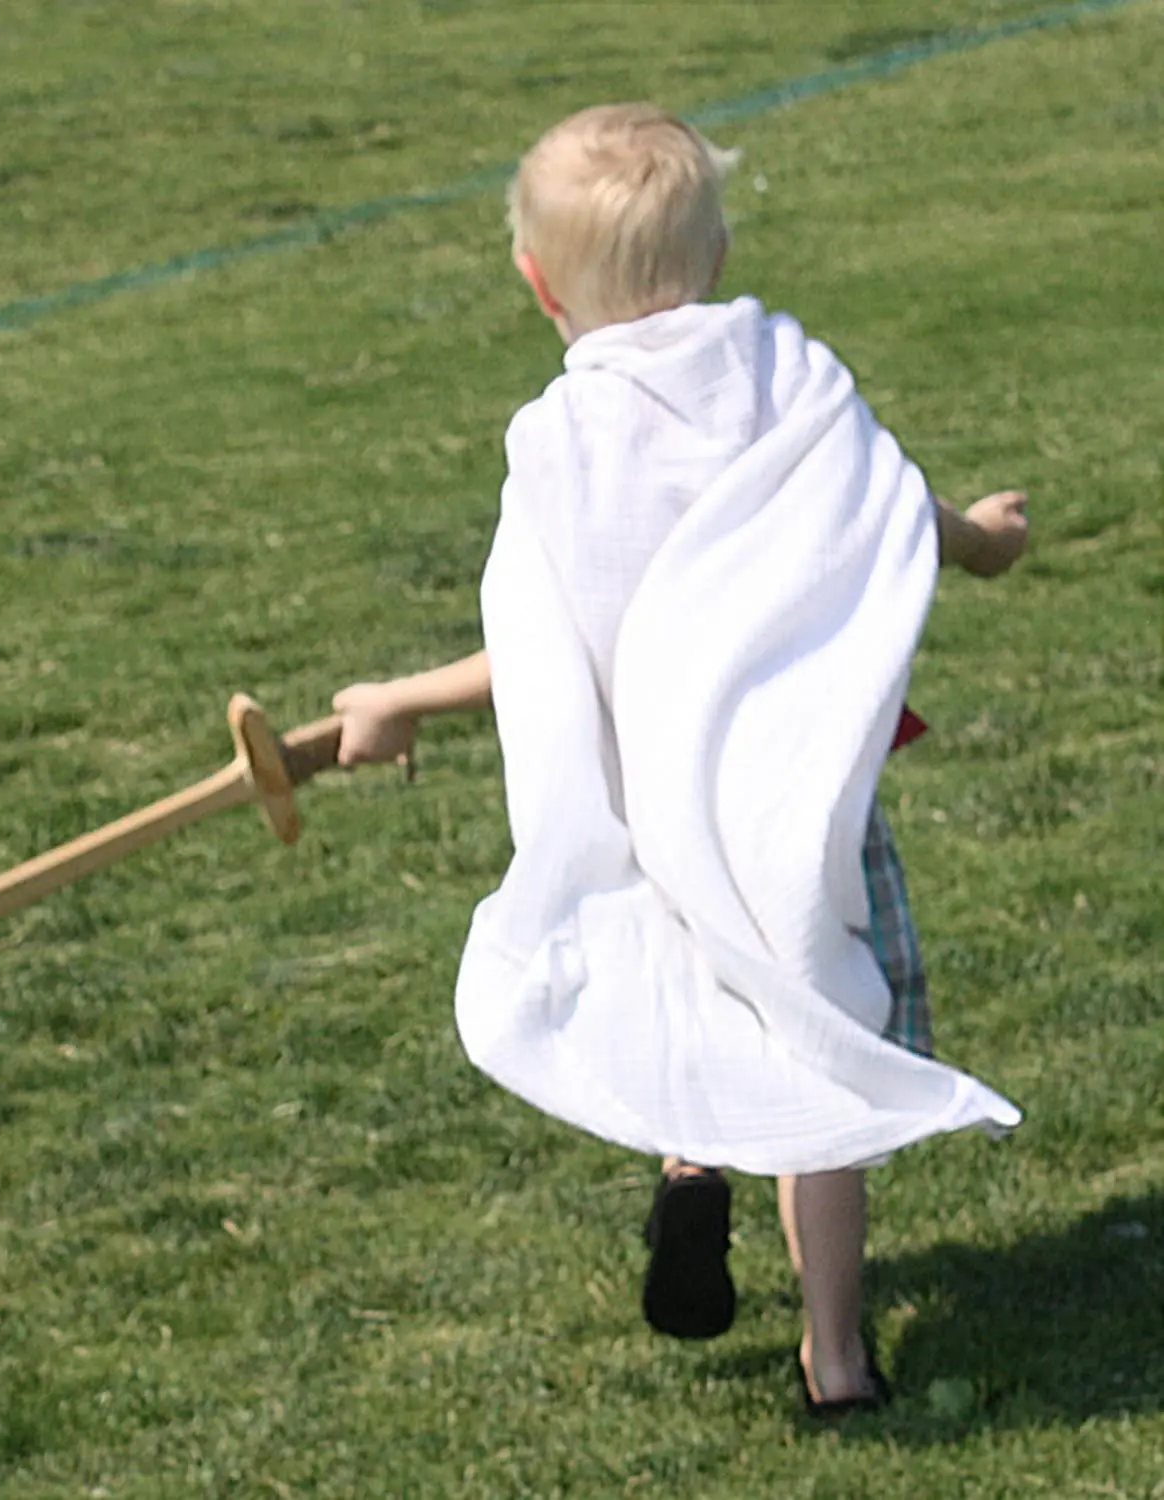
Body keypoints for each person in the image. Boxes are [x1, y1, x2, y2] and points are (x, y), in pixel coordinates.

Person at [333, 104, 1027, 1414]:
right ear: (713, 258)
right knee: (814, 1029)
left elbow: (538, 650)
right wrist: (985, 538)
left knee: (681, 988)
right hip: (796, 801)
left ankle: (690, 1171)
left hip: (652, 810)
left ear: (538, 285)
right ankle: (836, 1359)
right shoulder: (784, 381)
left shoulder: (562, 445)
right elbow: (889, 516)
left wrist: (395, 700)